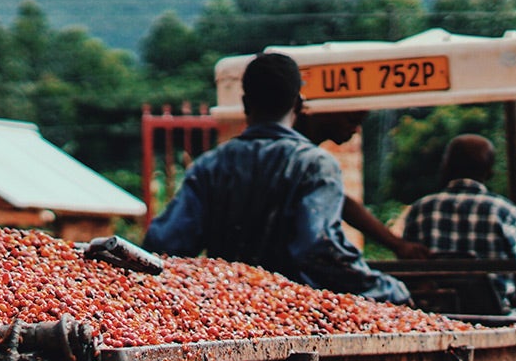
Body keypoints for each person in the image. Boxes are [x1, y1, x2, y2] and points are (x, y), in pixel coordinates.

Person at [144, 53, 410, 304]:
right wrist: (389, 289)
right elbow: (320, 249)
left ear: (246, 104)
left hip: (228, 316)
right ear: (298, 104)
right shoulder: (315, 165)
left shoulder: (210, 166)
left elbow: (163, 245)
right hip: (296, 318)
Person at [402, 134, 516, 312]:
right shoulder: (503, 211)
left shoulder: (420, 210)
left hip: (434, 316)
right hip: (497, 317)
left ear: (446, 167)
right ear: (489, 171)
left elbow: (410, 273)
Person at [295, 109, 434, 262]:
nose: (356, 130)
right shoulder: (308, 159)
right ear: (325, 113)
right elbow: (343, 206)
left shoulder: (307, 158)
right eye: (351, 120)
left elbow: (342, 202)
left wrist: (398, 245)